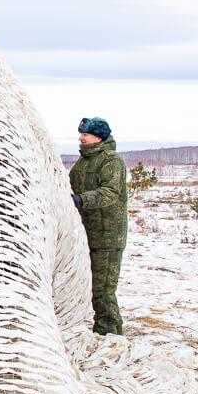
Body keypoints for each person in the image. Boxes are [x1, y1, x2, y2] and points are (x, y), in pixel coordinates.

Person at [68, 116, 128, 336]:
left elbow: (110, 193)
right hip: (87, 235)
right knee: (91, 288)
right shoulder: (82, 163)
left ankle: (110, 334)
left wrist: (81, 200)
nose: (81, 138)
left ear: (98, 137)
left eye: (86, 134)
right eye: (81, 134)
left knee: (103, 291)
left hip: (108, 238)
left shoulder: (111, 162)